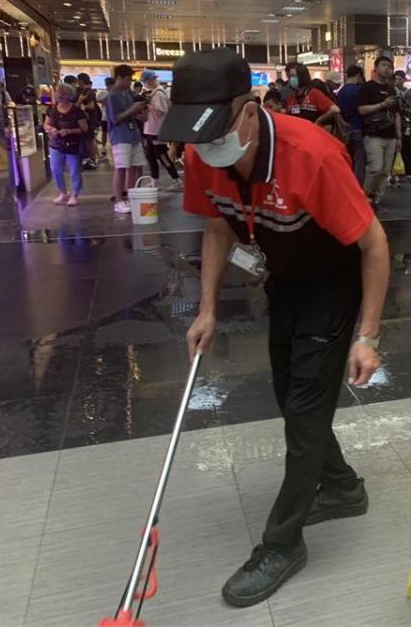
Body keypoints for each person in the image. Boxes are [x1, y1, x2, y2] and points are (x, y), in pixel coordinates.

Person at [158, 47, 389, 608]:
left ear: (248, 109)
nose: (205, 147)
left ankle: (282, 544)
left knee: (306, 411)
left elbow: (374, 242)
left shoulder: (311, 154)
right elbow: (216, 229)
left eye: (214, 130)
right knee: (290, 397)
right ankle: (341, 487)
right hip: (282, 280)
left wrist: (367, 335)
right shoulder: (201, 154)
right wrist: (208, 308)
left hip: (333, 284)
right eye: (195, 134)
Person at [358, 56, 401, 208]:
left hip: (391, 136)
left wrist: (399, 136)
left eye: (389, 66)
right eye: (383, 65)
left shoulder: (392, 90)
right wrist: (382, 104)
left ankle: (377, 200)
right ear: (375, 68)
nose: (386, 69)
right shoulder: (367, 87)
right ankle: (364, 196)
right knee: (375, 168)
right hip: (373, 135)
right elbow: (362, 110)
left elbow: (396, 114)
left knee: (385, 171)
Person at [105, 64, 148, 214]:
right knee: (121, 168)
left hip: (134, 135)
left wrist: (139, 113)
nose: (130, 83)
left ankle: (130, 197)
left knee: (134, 167)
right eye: (128, 80)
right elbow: (114, 118)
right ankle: (118, 201)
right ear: (120, 78)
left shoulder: (127, 94)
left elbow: (133, 114)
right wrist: (133, 110)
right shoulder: (112, 96)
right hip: (120, 136)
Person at [43, 83, 88, 206]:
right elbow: (46, 124)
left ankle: (75, 194)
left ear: (68, 95)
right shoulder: (52, 109)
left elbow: (84, 128)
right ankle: (62, 192)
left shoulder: (76, 111)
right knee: (55, 169)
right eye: (58, 92)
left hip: (72, 144)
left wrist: (69, 131)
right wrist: (51, 129)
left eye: (61, 92)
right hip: (55, 143)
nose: (58, 94)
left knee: (74, 170)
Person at [141, 69, 183, 191]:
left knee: (162, 156)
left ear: (150, 80)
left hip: (157, 131)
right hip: (150, 130)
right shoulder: (154, 93)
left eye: (145, 81)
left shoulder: (159, 93)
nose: (144, 83)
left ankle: (176, 180)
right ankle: (155, 181)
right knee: (151, 157)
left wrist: (148, 106)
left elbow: (163, 110)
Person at [336, 65, 365, 182]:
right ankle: (357, 187)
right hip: (359, 128)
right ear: (358, 75)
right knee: (360, 162)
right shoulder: (358, 91)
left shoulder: (340, 92)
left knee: (349, 161)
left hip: (346, 131)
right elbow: (362, 110)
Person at [393, 69, 411, 181]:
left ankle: (408, 170)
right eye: (396, 78)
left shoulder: (407, 93)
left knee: (406, 147)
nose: (397, 81)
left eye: (400, 78)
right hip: (393, 123)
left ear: (404, 79)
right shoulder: (392, 90)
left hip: (405, 124)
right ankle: (396, 171)